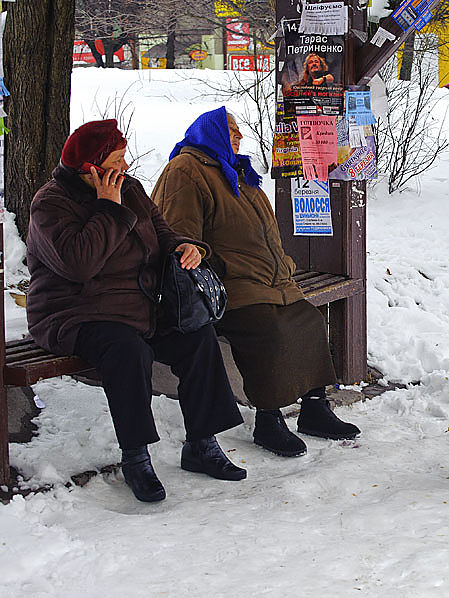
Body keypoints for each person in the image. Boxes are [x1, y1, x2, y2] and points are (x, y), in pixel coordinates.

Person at [26, 119, 246, 503]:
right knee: (128, 350)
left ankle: (201, 443)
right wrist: (108, 211)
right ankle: (136, 457)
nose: (125, 167)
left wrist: (187, 247)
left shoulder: (130, 189)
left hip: (138, 305)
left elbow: (162, 235)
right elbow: (79, 264)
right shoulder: (50, 203)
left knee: (198, 337)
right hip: (74, 313)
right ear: (90, 168)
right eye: (117, 160)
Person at [151, 107, 360, 458]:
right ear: (210, 133)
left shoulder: (238, 172)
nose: (239, 136)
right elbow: (176, 231)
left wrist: (282, 266)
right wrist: (210, 259)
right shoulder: (186, 170)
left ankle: (314, 408)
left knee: (307, 319)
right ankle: (269, 418)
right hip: (229, 285)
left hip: (270, 279)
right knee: (267, 330)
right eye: (231, 130)